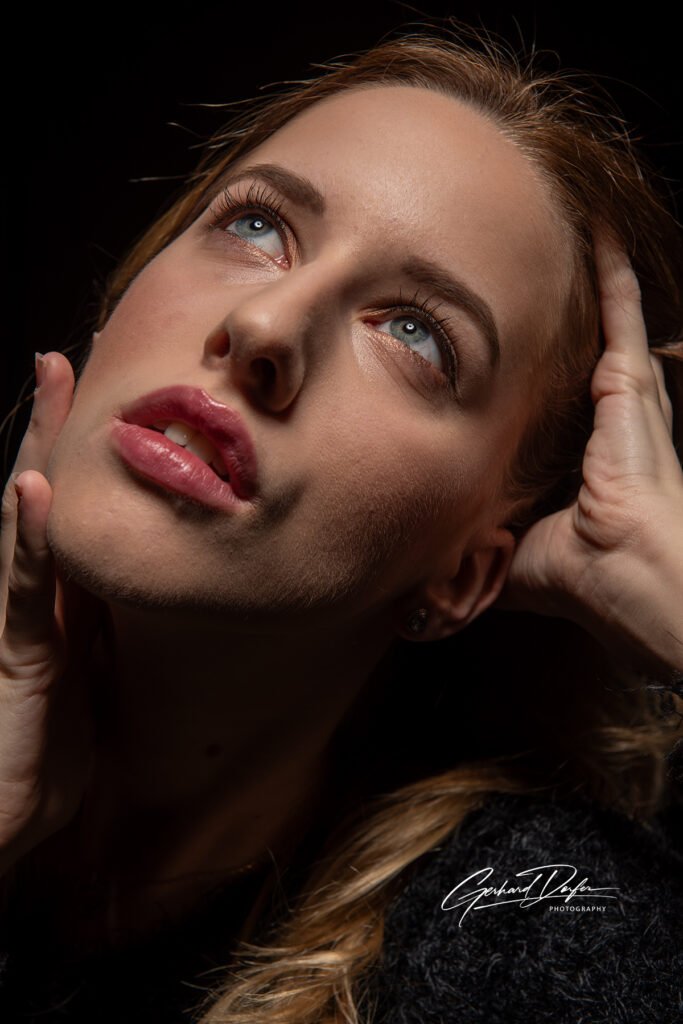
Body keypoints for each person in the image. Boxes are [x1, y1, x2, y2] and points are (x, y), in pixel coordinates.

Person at [1, 21, 683, 1024]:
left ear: (462, 574)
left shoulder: (523, 931)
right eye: (256, 226)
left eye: (416, 334)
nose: (266, 327)